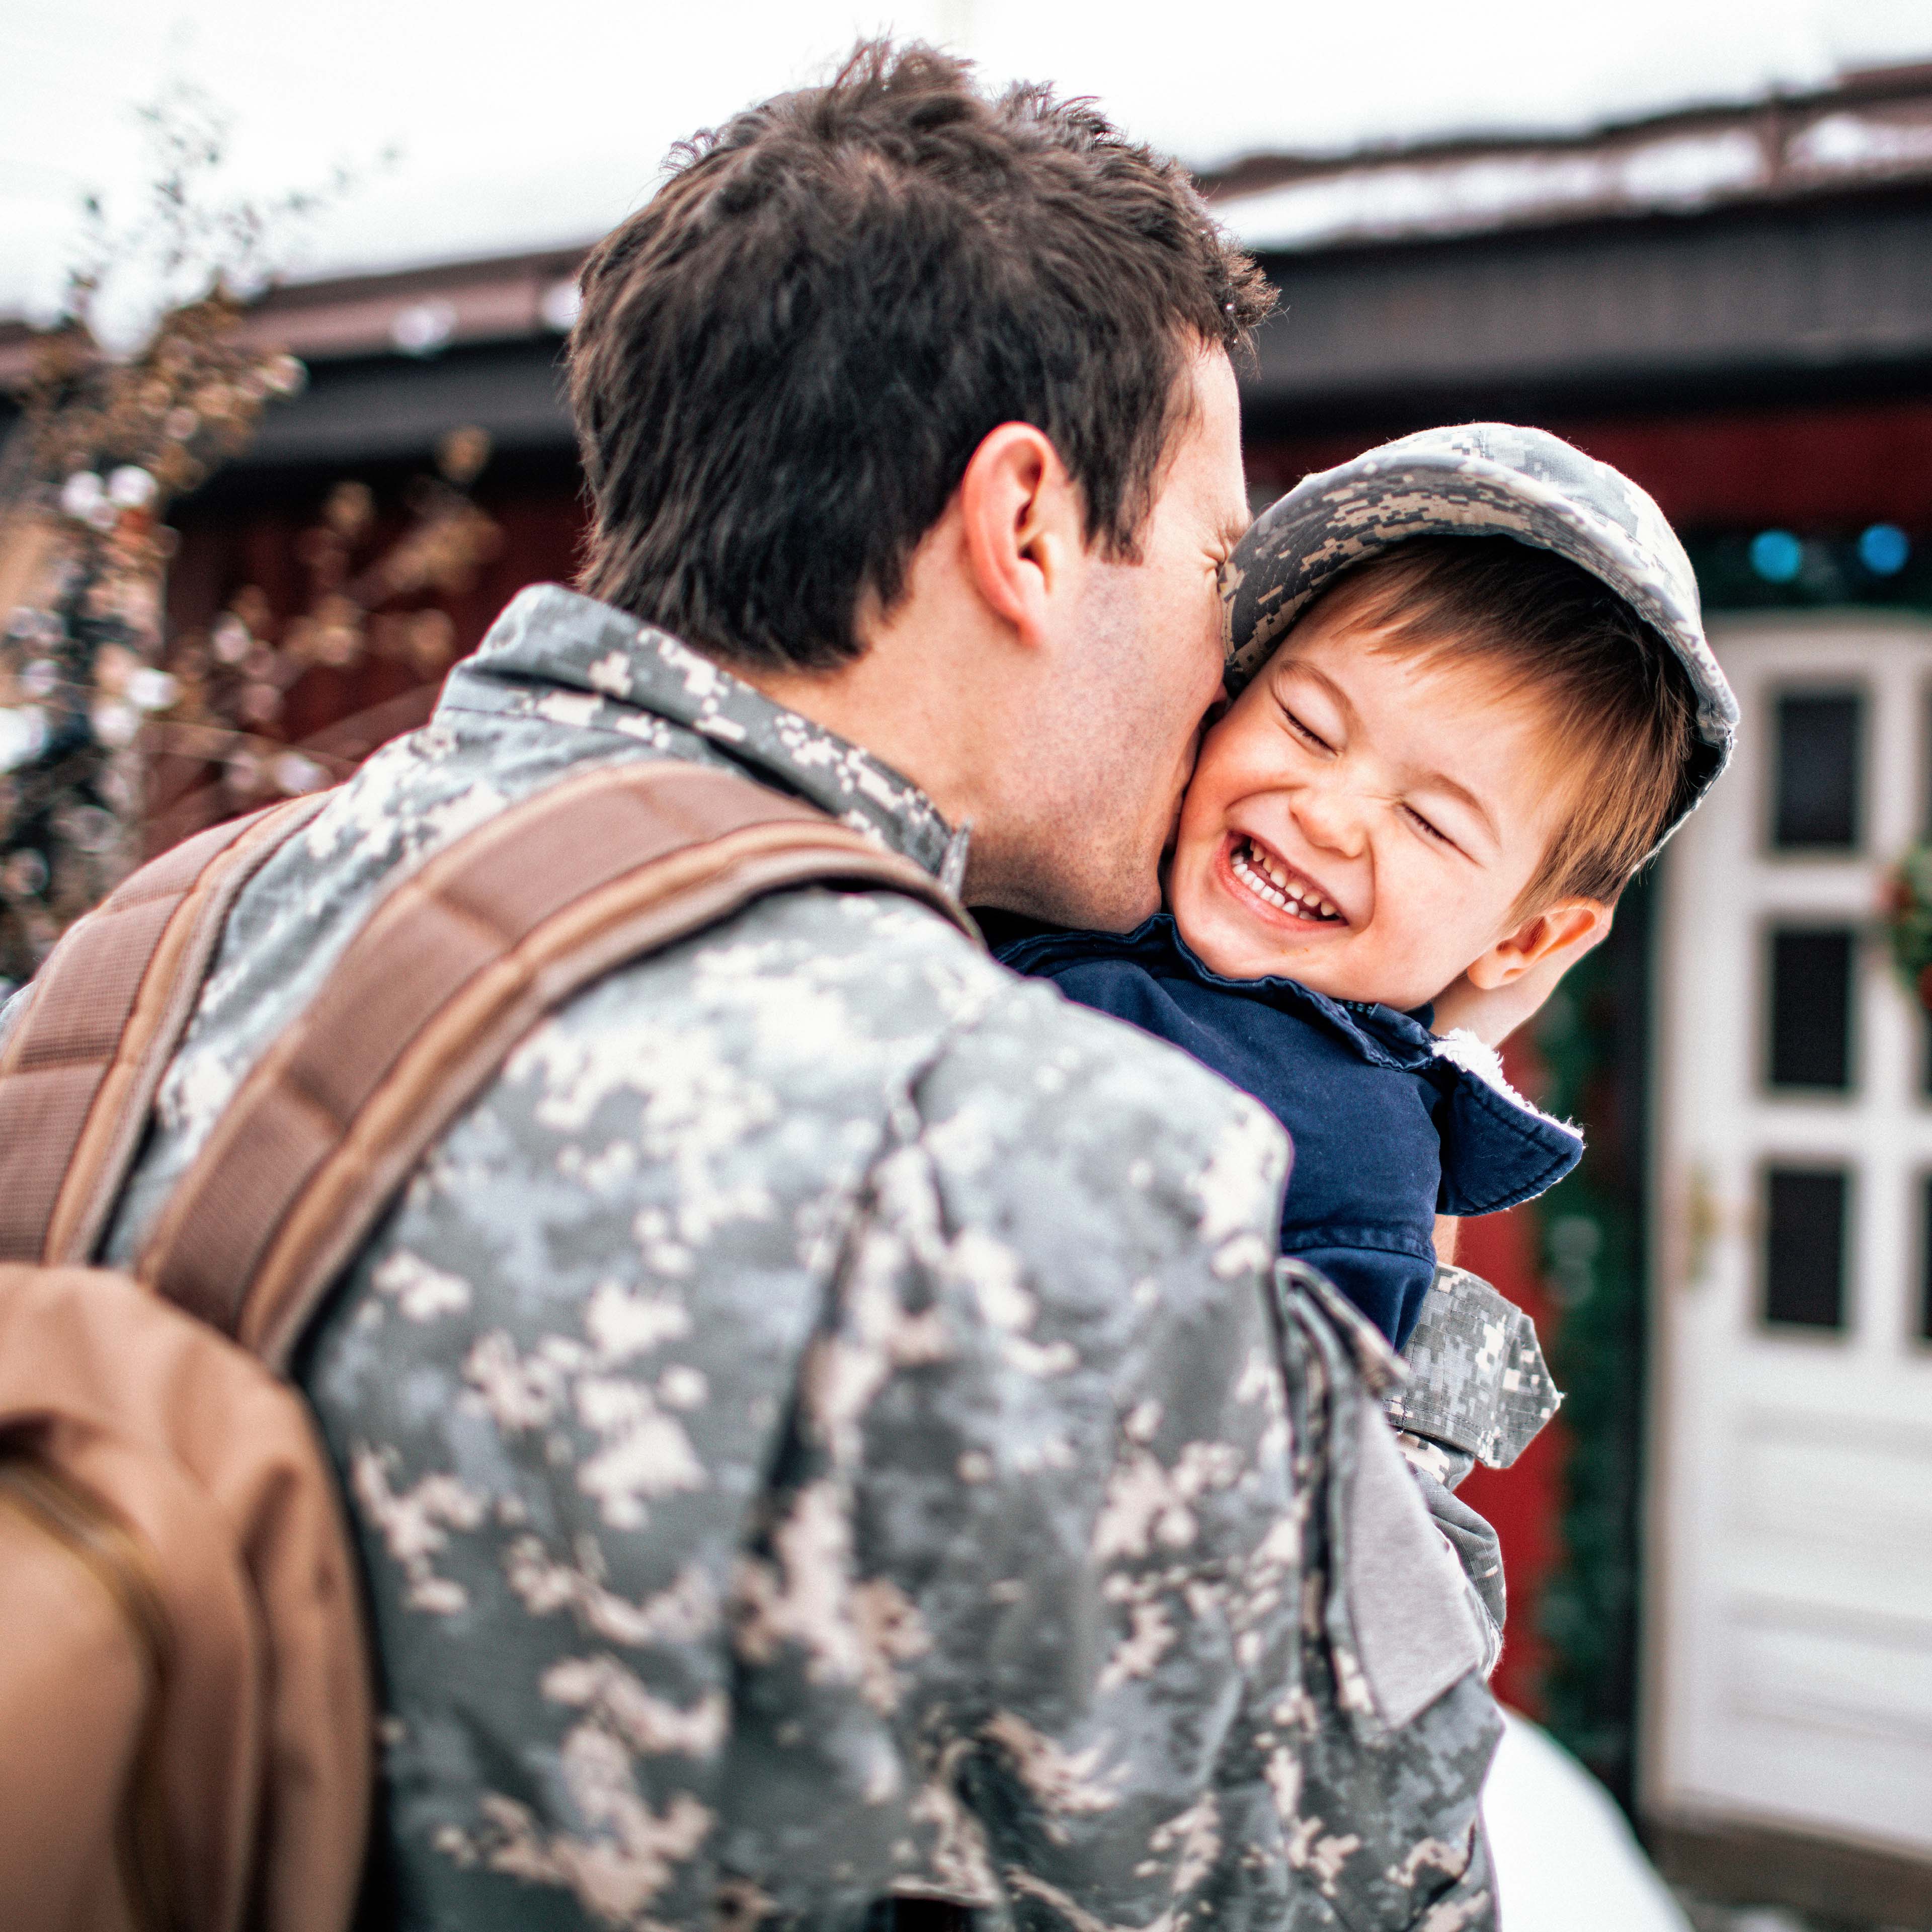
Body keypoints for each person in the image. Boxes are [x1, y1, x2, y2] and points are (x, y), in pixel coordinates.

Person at [1, 47, 1568, 1932]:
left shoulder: (139, 952)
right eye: (1219, 561)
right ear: (1028, 530)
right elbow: (1378, 1885)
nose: (1225, 649)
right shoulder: (1038, 1169)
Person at [998, 425, 1738, 1354]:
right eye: (1308, 726)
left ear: (1528, 942)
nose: (1327, 818)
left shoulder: (1343, 1166)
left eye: (1431, 822)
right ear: (1225, 697)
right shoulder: (1058, 862)